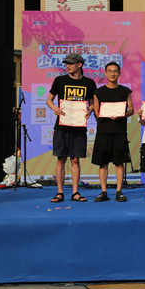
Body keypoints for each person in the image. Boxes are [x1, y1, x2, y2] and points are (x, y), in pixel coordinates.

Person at [46, 53, 96, 203]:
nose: (67, 66)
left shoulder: (89, 83)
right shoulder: (60, 80)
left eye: (71, 63)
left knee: (75, 160)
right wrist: (54, 108)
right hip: (62, 125)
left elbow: (92, 103)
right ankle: (60, 192)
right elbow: (49, 100)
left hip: (79, 126)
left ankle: (75, 192)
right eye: (66, 63)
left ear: (79, 64)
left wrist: (90, 110)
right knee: (61, 159)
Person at [92, 62, 134, 202]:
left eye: (115, 71)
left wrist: (121, 115)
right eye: (109, 71)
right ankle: (103, 191)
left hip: (119, 132)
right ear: (105, 73)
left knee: (119, 163)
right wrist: (103, 115)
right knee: (103, 163)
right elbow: (96, 112)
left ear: (119, 73)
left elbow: (131, 110)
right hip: (103, 132)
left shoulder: (125, 91)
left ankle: (119, 191)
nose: (112, 73)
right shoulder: (98, 92)